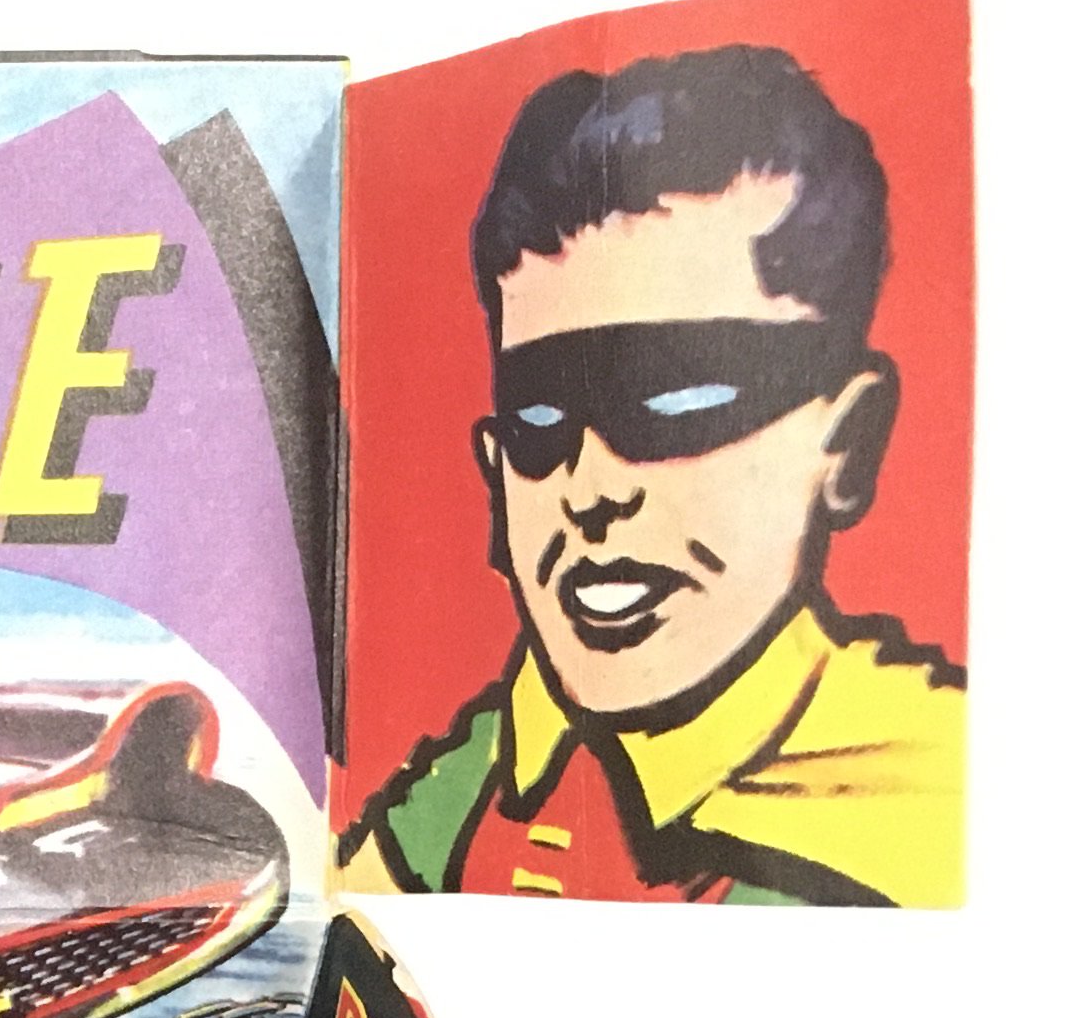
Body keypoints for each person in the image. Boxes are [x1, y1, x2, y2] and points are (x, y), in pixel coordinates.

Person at [340, 45, 962, 906]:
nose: (592, 488)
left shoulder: (929, 804)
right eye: (539, 418)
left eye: (683, 400)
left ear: (847, 442)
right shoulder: (493, 762)